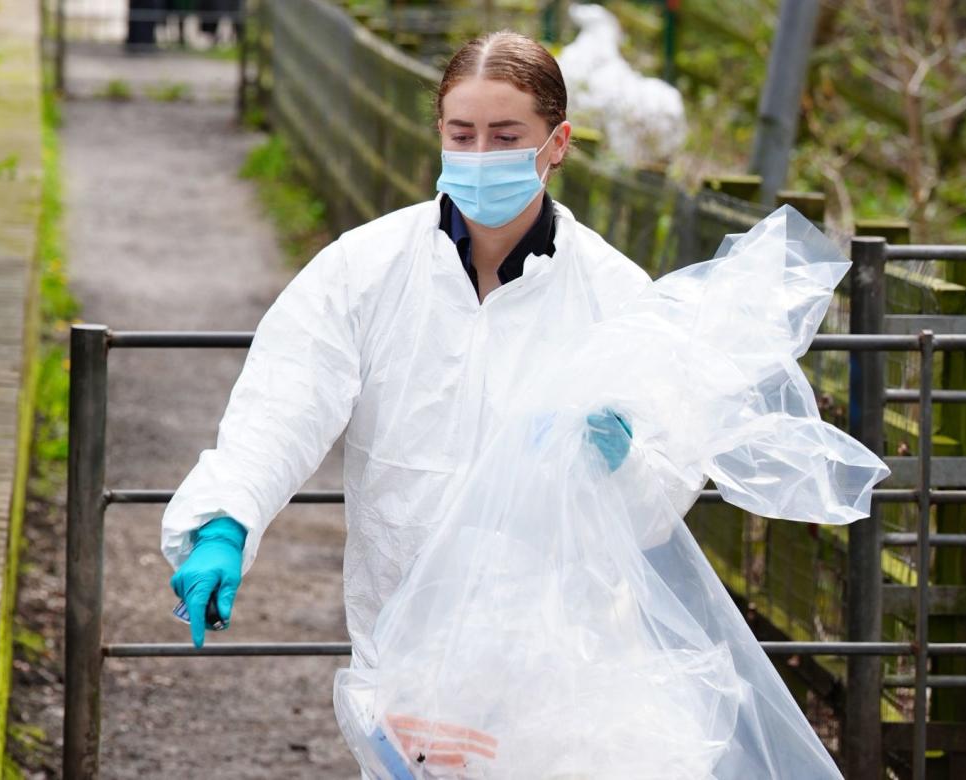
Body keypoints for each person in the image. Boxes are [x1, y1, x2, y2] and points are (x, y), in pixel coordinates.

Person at [160, 31, 700, 665]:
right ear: (439, 132)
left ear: (558, 143)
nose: (479, 155)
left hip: (560, 649)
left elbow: (663, 496)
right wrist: (227, 520)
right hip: (401, 630)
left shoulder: (614, 296)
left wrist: (627, 464)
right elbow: (285, 399)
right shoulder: (366, 269)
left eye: (506, 137)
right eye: (461, 135)